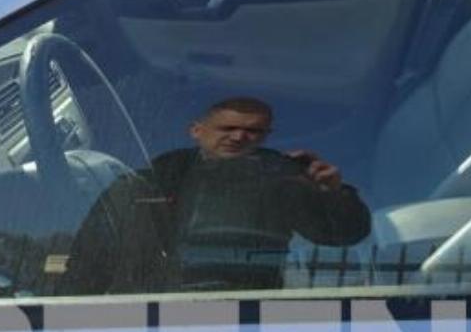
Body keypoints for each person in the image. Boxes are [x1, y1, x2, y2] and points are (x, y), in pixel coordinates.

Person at [66, 97, 370, 293]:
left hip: (254, 307)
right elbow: (96, 247)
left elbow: (343, 235)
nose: (239, 136)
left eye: (253, 132)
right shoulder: (160, 175)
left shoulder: (282, 177)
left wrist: (334, 194)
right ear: (197, 131)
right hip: (157, 305)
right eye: (228, 127)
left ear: (266, 136)